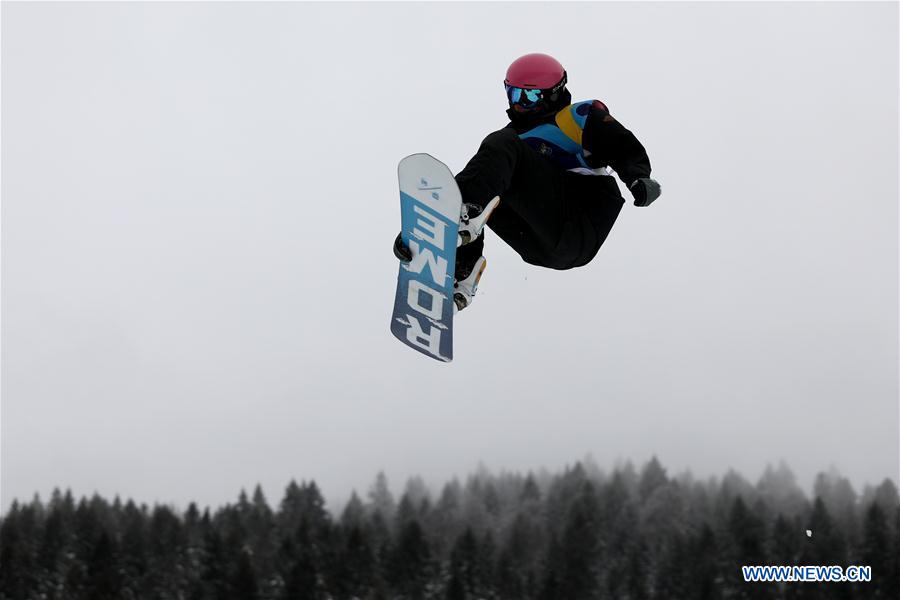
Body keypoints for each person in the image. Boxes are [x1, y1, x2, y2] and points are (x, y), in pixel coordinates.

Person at [393, 52, 662, 311]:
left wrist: (638, 177)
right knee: (484, 182)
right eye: (514, 94)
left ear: (553, 93)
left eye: (530, 96)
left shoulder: (577, 118)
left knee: (499, 151)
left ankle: (458, 217)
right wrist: (422, 237)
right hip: (540, 244)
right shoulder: (509, 146)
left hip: (580, 220)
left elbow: (620, 144)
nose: (520, 103)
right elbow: (478, 181)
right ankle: (459, 272)